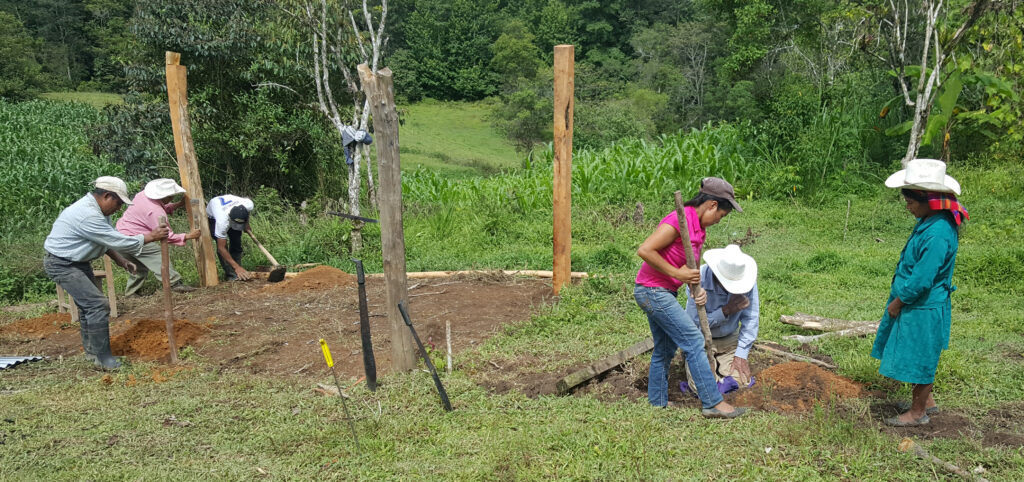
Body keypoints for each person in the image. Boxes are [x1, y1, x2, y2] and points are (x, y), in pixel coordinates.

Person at [634, 177, 749, 418]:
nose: (719, 221)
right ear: (712, 206)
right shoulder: (679, 219)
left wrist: (697, 288)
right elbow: (645, 250)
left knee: (665, 349)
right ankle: (712, 402)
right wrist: (678, 273)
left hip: (664, 291)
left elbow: (692, 267)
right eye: (721, 216)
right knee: (694, 340)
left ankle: (657, 403)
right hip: (651, 290)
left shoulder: (699, 229)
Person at [873, 158, 968, 427]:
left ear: (927, 200)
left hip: (922, 304)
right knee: (918, 351)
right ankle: (927, 401)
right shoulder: (930, 220)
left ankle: (917, 413)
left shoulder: (937, 232)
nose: (907, 206)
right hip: (920, 303)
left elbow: (923, 278)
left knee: (921, 356)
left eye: (911, 202)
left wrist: (899, 301)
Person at [43, 176, 168, 369]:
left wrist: (121, 260)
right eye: (118, 203)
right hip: (63, 263)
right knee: (97, 305)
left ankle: (93, 353)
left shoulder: (99, 211)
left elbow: (104, 239)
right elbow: (118, 240)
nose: (119, 208)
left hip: (78, 261)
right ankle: (103, 359)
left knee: (88, 307)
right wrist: (151, 236)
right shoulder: (88, 214)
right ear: (107, 196)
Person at [682, 244, 759, 395]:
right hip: (700, 338)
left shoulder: (746, 280)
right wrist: (726, 311)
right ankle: (708, 379)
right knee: (702, 387)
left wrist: (741, 354)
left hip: (729, 338)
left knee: (742, 381)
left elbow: (751, 318)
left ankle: (719, 382)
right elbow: (693, 325)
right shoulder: (698, 281)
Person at [115, 179, 201, 295]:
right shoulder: (155, 211)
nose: (171, 199)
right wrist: (189, 236)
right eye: (171, 197)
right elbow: (166, 235)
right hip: (133, 237)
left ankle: (131, 293)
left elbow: (155, 208)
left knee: (138, 267)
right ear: (164, 196)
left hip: (119, 236)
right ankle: (175, 284)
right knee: (157, 255)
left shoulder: (142, 196)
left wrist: (177, 205)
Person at [206, 194, 255, 281]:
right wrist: (236, 267)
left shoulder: (248, 204)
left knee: (236, 242)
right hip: (213, 217)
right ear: (231, 219)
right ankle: (232, 274)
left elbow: (247, 213)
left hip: (230, 208)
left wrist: (247, 223)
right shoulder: (222, 222)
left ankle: (239, 270)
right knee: (223, 246)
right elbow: (221, 248)